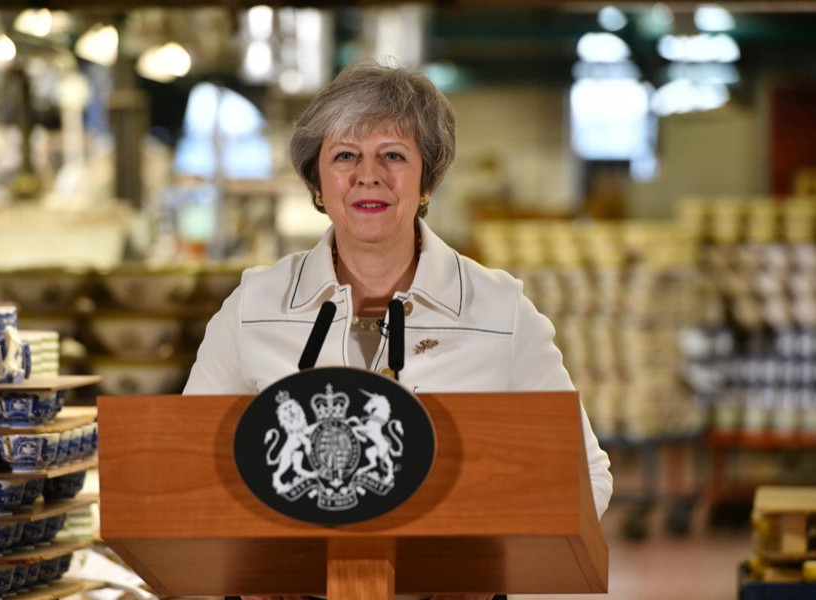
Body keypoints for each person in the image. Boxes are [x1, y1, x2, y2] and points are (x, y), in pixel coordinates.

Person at [184, 58, 613, 600]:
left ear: (427, 180)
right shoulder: (252, 307)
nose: (369, 175)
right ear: (317, 181)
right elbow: (188, 472)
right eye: (345, 156)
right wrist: (260, 571)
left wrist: (482, 565)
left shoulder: (501, 311)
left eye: (393, 155)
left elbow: (585, 476)